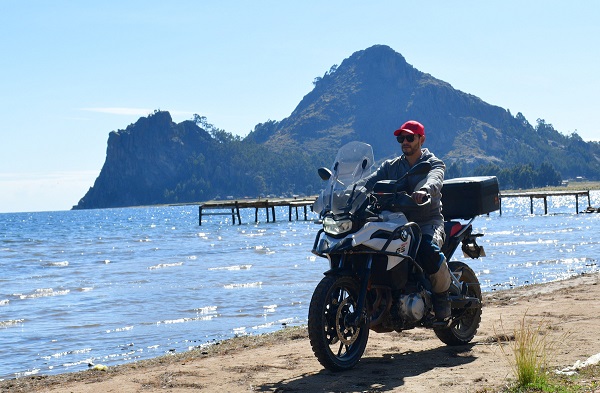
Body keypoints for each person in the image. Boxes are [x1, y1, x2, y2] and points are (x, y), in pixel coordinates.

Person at [363, 120, 452, 321]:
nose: (405, 142)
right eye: (401, 138)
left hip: (427, 221)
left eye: (410, 137)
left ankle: (442, 297)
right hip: (396, 222)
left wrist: (424, 190)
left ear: (421, 139)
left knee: (427, 249)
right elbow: (369, 182)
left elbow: (435, 178)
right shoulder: (391, 167)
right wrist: (350, 192)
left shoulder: (433, 162)